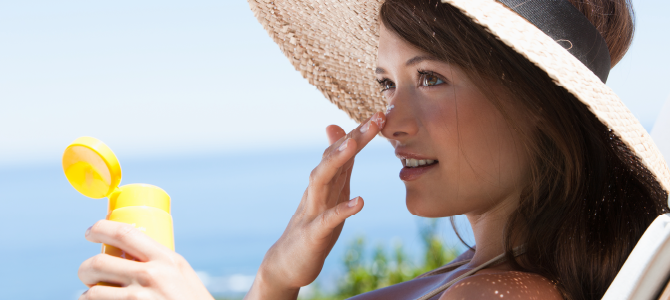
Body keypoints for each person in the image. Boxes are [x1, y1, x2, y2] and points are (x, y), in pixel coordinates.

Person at [76, 0, 670, 299]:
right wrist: (277, 276)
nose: (390, 122)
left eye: (431, 78)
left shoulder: (504, 293)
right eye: (388, 83)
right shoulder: (478, 274)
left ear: (541, 102)